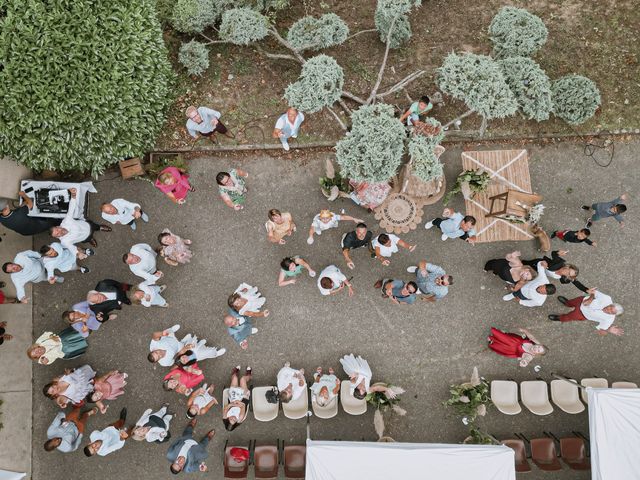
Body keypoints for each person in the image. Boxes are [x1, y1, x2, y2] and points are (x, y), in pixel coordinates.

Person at [549, 289, 624, 336]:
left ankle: (559, 318)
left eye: (611, 312)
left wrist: (608, 329)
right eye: (611, 307)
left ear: (613, 315)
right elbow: (594, 291)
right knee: (571, 302)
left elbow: (601, 331)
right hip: (582, 301)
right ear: (611, 304)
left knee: (568, 317)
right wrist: (590, 298)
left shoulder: (609, 320)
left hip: (582, 314)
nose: (608, 310)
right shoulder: (607, 298)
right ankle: (567, 303)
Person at [148, 325, 225, 367]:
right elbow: (174, 360)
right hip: (178, 348)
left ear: (153, 350)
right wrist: (181, 352)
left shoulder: (153, 345)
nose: (160, 354)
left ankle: (172, 330)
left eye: (157, 352)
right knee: (193, 351)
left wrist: (162, 333)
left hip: (170, 337)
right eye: (158, 356)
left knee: (166, 332)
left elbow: (154, 335)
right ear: (158, 360)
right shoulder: (164, 363)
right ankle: (214, 353)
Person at [518, 250, 588, 293]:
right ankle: (522, 262)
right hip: (540, 263)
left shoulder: (564, 278)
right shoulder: (560, 262)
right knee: (527, 263)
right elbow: (553, 254)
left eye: (569, 274)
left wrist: (586, 290)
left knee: (529, 273)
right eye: (568, 271)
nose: (567, 273)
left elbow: (576, 283)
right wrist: (558, 252)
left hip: (540, 271)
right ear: (568, 267)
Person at [222, 366, 251, 431]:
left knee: (235, 378)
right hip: (243, 400)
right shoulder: (240, 418)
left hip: (233, 399)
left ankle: (235, 373)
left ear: (227, 420)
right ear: (236, 422)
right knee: (242, 379)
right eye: (234, 420)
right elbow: (243, 405)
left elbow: (227, 407)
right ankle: (249, 375)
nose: (233, 418)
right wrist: (237, 403)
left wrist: (232, 404)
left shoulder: (225, 416)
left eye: (231, 419)